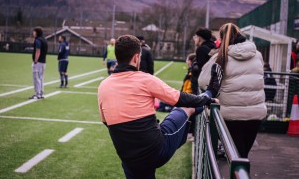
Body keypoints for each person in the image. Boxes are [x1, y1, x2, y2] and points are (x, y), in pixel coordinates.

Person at [97, 35, 219, 179]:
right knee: (185, 109)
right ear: (136, 58)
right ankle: (210, 93)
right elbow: (179, 99)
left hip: (128, 158)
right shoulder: (145, 79)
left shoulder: (103, 86)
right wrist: (208, 97)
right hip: (157, 152)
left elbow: (106, 121)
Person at [208, 23, 267, 158]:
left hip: (232, 113)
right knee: (244, 155)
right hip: (255, 112)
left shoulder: (221, 56)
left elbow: (205, 81)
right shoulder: (257, 54)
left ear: (222, 38)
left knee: (236, 156)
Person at [29, 27, 48, 99]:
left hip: (38, 62)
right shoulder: (44, 40)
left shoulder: (37, 40)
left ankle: (38, 94)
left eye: (34, 32)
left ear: (37, 32)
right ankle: (41, 93)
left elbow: (38, 51)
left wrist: (35, 61)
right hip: (43, 62)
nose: (33, 33)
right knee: (41, 78)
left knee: (36, 78)